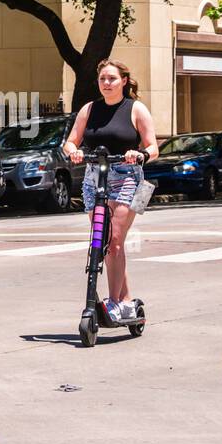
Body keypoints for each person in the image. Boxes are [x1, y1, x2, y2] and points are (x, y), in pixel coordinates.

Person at [61, 59, 159, 322]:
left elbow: (153, 147)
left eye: (112, 79)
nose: (107, 83)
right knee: (104, 243)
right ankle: (126, 302)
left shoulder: (135, 109)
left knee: (115, 240)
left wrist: (137, 154)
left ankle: (115, 302)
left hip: (129, 178)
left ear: (124, 81)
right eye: (103, 79)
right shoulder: (89, 109)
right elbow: (70, 142)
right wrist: (75, 152)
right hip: (95, 177)